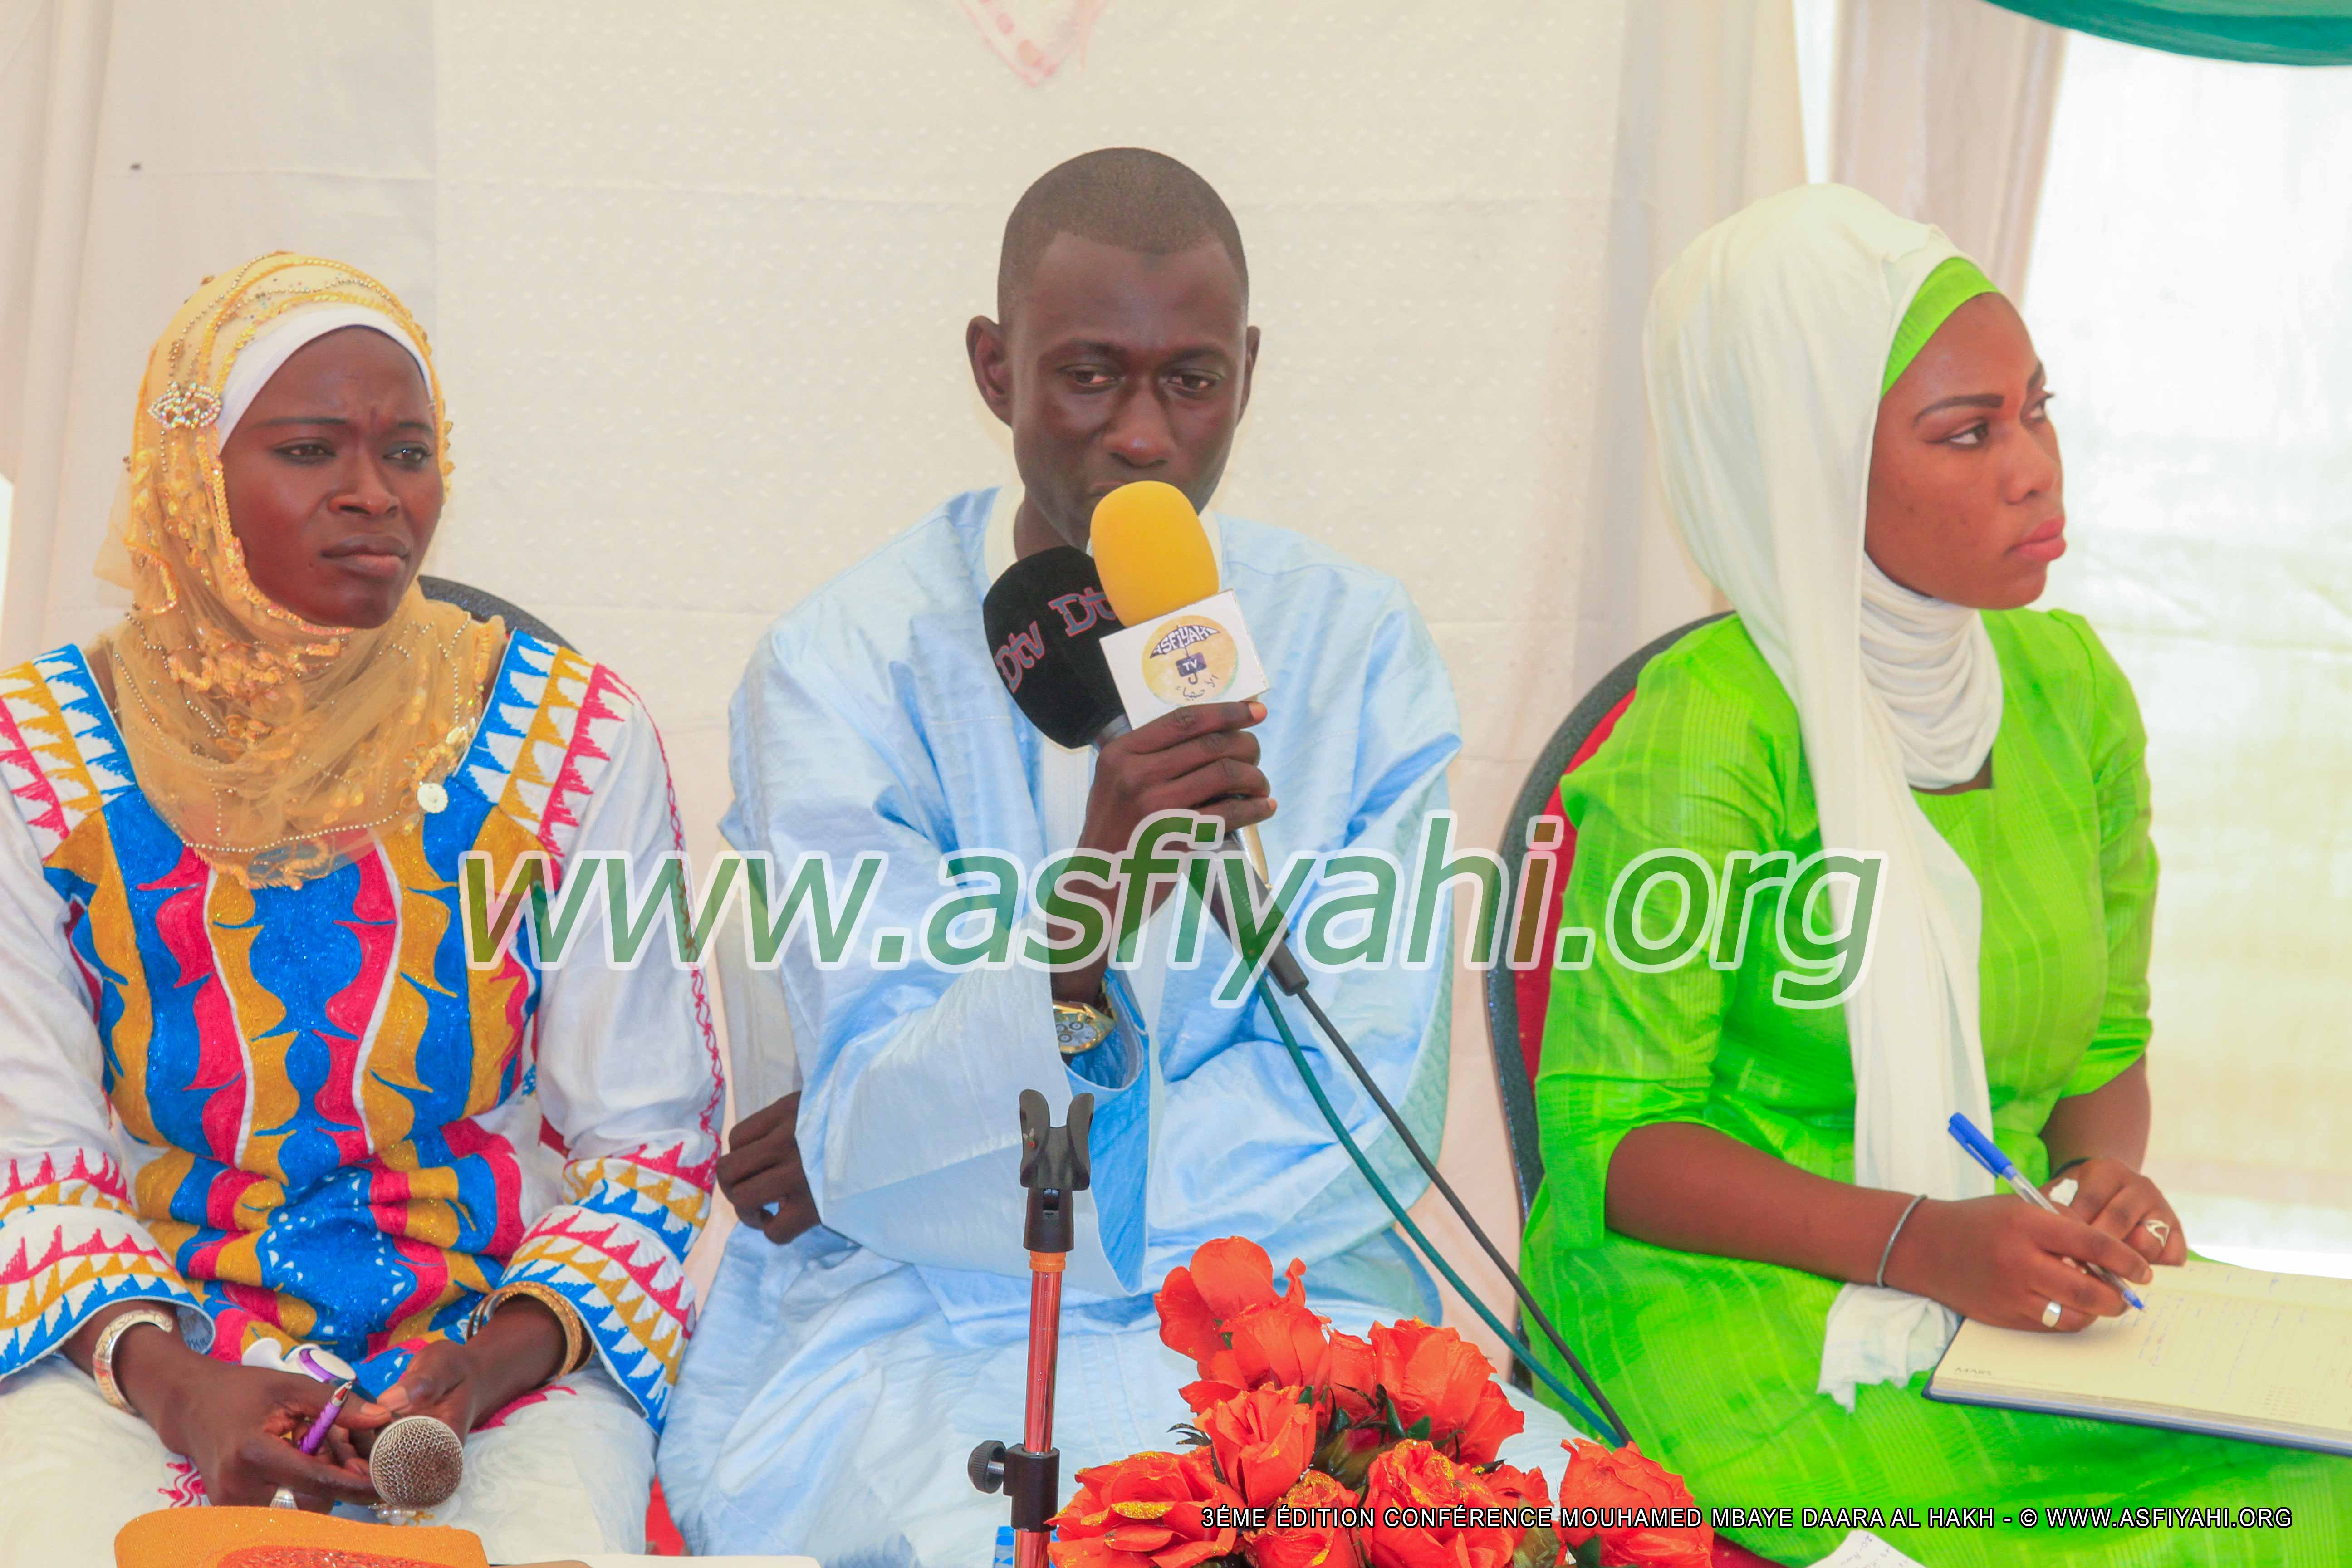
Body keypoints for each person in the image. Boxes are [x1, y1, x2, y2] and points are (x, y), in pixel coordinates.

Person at [660, 148, 1573, 1563]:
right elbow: (885, 1130)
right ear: (993, 368)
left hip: (1295, 1288)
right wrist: (1084, 910)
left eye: (1191, 381)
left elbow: (1362, 1090)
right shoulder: (843, 665)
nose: (1145, 437)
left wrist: (952, 1168)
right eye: (1089, 375)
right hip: (936, 1310)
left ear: (1248, 372)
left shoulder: (1353, 645)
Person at [1516, 185, 2349, 1564]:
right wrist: (1923, 1244)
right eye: (1968, 433)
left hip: (2006, 1293)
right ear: (1809, 463)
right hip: (1728, 1313)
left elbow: (2105, 1051)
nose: (2035, 467)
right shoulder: (1711, 726)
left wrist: (2097, 1181)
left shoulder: (2068, 689)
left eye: (2037, 408)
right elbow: (1615, 1145)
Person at [0, 256, 723, 1563]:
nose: (374, 494)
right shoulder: (38, 756)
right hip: (134, 1350)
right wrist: (182, 1386)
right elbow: (26, 1150)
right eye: (308, 448)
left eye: (409, 450)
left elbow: (648, 1130)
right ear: (190, 483)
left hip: (491, 1353)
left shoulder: (565, 741)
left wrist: (486, 1365)